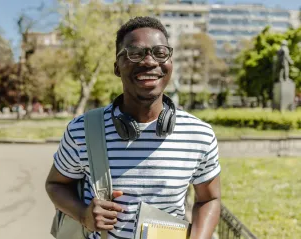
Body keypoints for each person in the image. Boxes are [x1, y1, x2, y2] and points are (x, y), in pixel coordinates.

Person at [45, 16, 221, 239]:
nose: (149, 62)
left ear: (170, 63)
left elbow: (209, 199)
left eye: (160, 53)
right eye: (135, 53)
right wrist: (83, 215)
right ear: (117, 67)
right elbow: (55, 184)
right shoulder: (82, 131)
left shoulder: (200, 135)